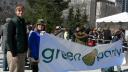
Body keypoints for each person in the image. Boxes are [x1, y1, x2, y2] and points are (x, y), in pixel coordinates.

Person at [7, 4, 28, 72]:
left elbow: (24, 37)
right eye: (19, 11)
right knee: (14, 70)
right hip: (14, 53)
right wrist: (13, 53)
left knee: (21, 70)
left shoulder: (23, 21)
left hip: (21, 52)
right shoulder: (12, 22)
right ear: (16, 12)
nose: (21, 12)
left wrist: (25, 49)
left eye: (22, 11)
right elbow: (9, 38)